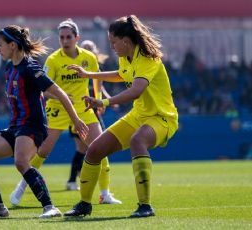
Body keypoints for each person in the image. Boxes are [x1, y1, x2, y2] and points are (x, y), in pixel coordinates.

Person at [63, 15, 179, 218]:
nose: (112, 46)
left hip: (162, 118)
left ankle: (145, 206)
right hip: (138, 116)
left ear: (125, 41)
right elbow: (121, 74)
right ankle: (84, 204)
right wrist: (89, 75)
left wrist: (104, 102)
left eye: (113, 42)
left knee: (138, 140)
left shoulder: (148, 58)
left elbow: (135, 91)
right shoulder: (126, 56)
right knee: (95, 150)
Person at [0, 25, 89, 218]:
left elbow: (59, 92)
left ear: (13, 45)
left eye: (0, 44)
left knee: (21, 162)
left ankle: (50, 207)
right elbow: (44, 92)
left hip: (33, 125)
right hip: (16, 126)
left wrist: (75, 120)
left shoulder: (30, 67)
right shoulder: (10, 68)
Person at [9, 19, 121, 206]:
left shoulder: (89, 58)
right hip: (58, 110)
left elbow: (97, 78)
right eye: (62, 37)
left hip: (83, 110)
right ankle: (20, 189)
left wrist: (99, 97)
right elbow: (42, 89)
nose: (65, 40)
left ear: (76, 37)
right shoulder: (53, 60)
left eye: (69, 36)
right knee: (42, 152)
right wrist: (58, 95)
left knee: (100, 149)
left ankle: (105, 194)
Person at [65, 40, 121, 206]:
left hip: (94, 111)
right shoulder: (76, 67)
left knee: (87, 148)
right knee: (85, 148)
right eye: (85, 48)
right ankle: (79, 182)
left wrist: (106, 100)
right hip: (79, 112)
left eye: (90, 48)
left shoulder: (94, 67)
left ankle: (78, 182)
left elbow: (99, 85)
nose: (86, 50)